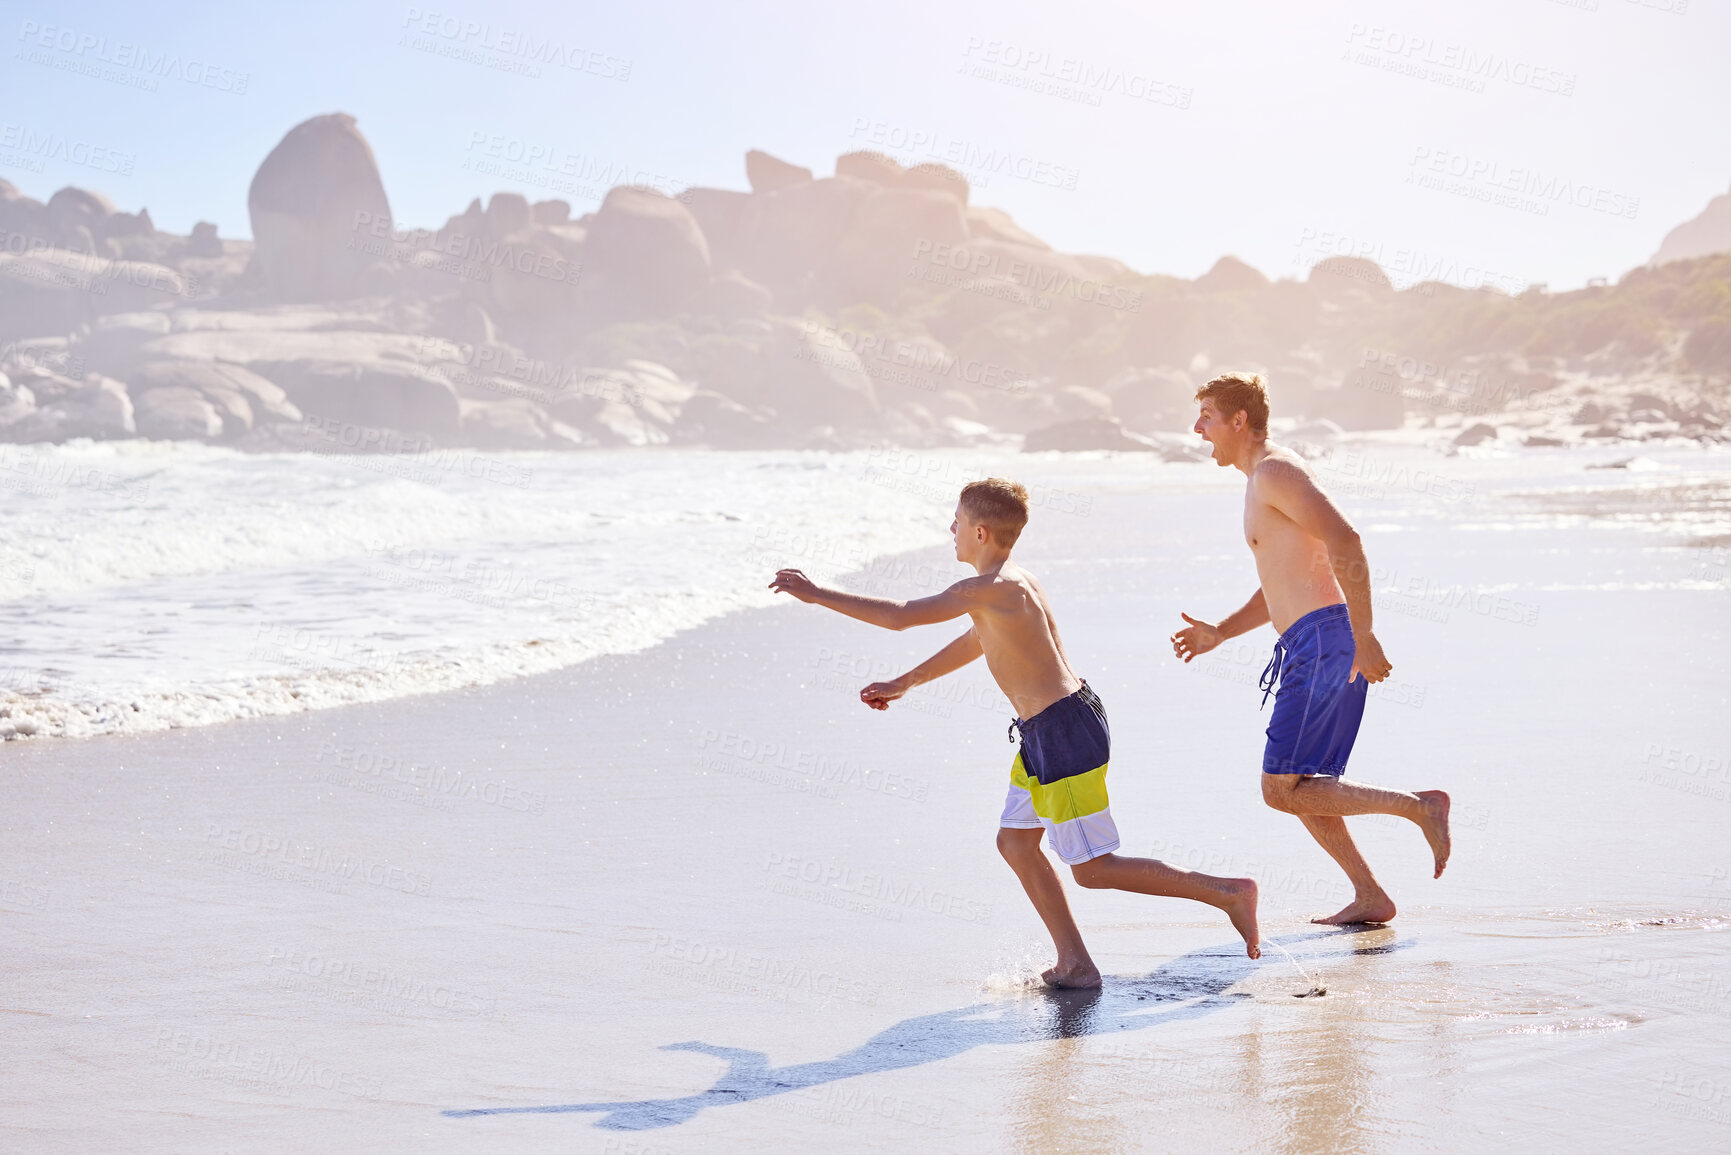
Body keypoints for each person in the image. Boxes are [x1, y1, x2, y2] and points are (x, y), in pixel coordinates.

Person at [770, 478, 1260, 988]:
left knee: (1094, 869)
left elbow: (899, 618)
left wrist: (815, 593)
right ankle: (1076, 963)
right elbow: (976, 641)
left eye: (957, 522)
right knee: (1016, 844)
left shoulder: (990, 587)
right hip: (1045, 732)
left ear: (979, 532)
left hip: (1063, 733)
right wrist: (905, 682)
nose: (951, 530)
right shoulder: (1009, 584)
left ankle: (1226, 892)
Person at [1170, 373, 1451, 925]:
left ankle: (1420, 807)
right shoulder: (1261, 480)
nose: (1197, 427)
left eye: (1206, 415)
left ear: (1238, 420)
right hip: (1311, 641)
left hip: (1326, 640)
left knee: (1280, 789)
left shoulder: (1275, 472)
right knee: (1303, 785)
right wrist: (1220, 633)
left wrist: (1364, 636)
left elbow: (1347, 540)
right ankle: (1370, 894)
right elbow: (1280, 579)